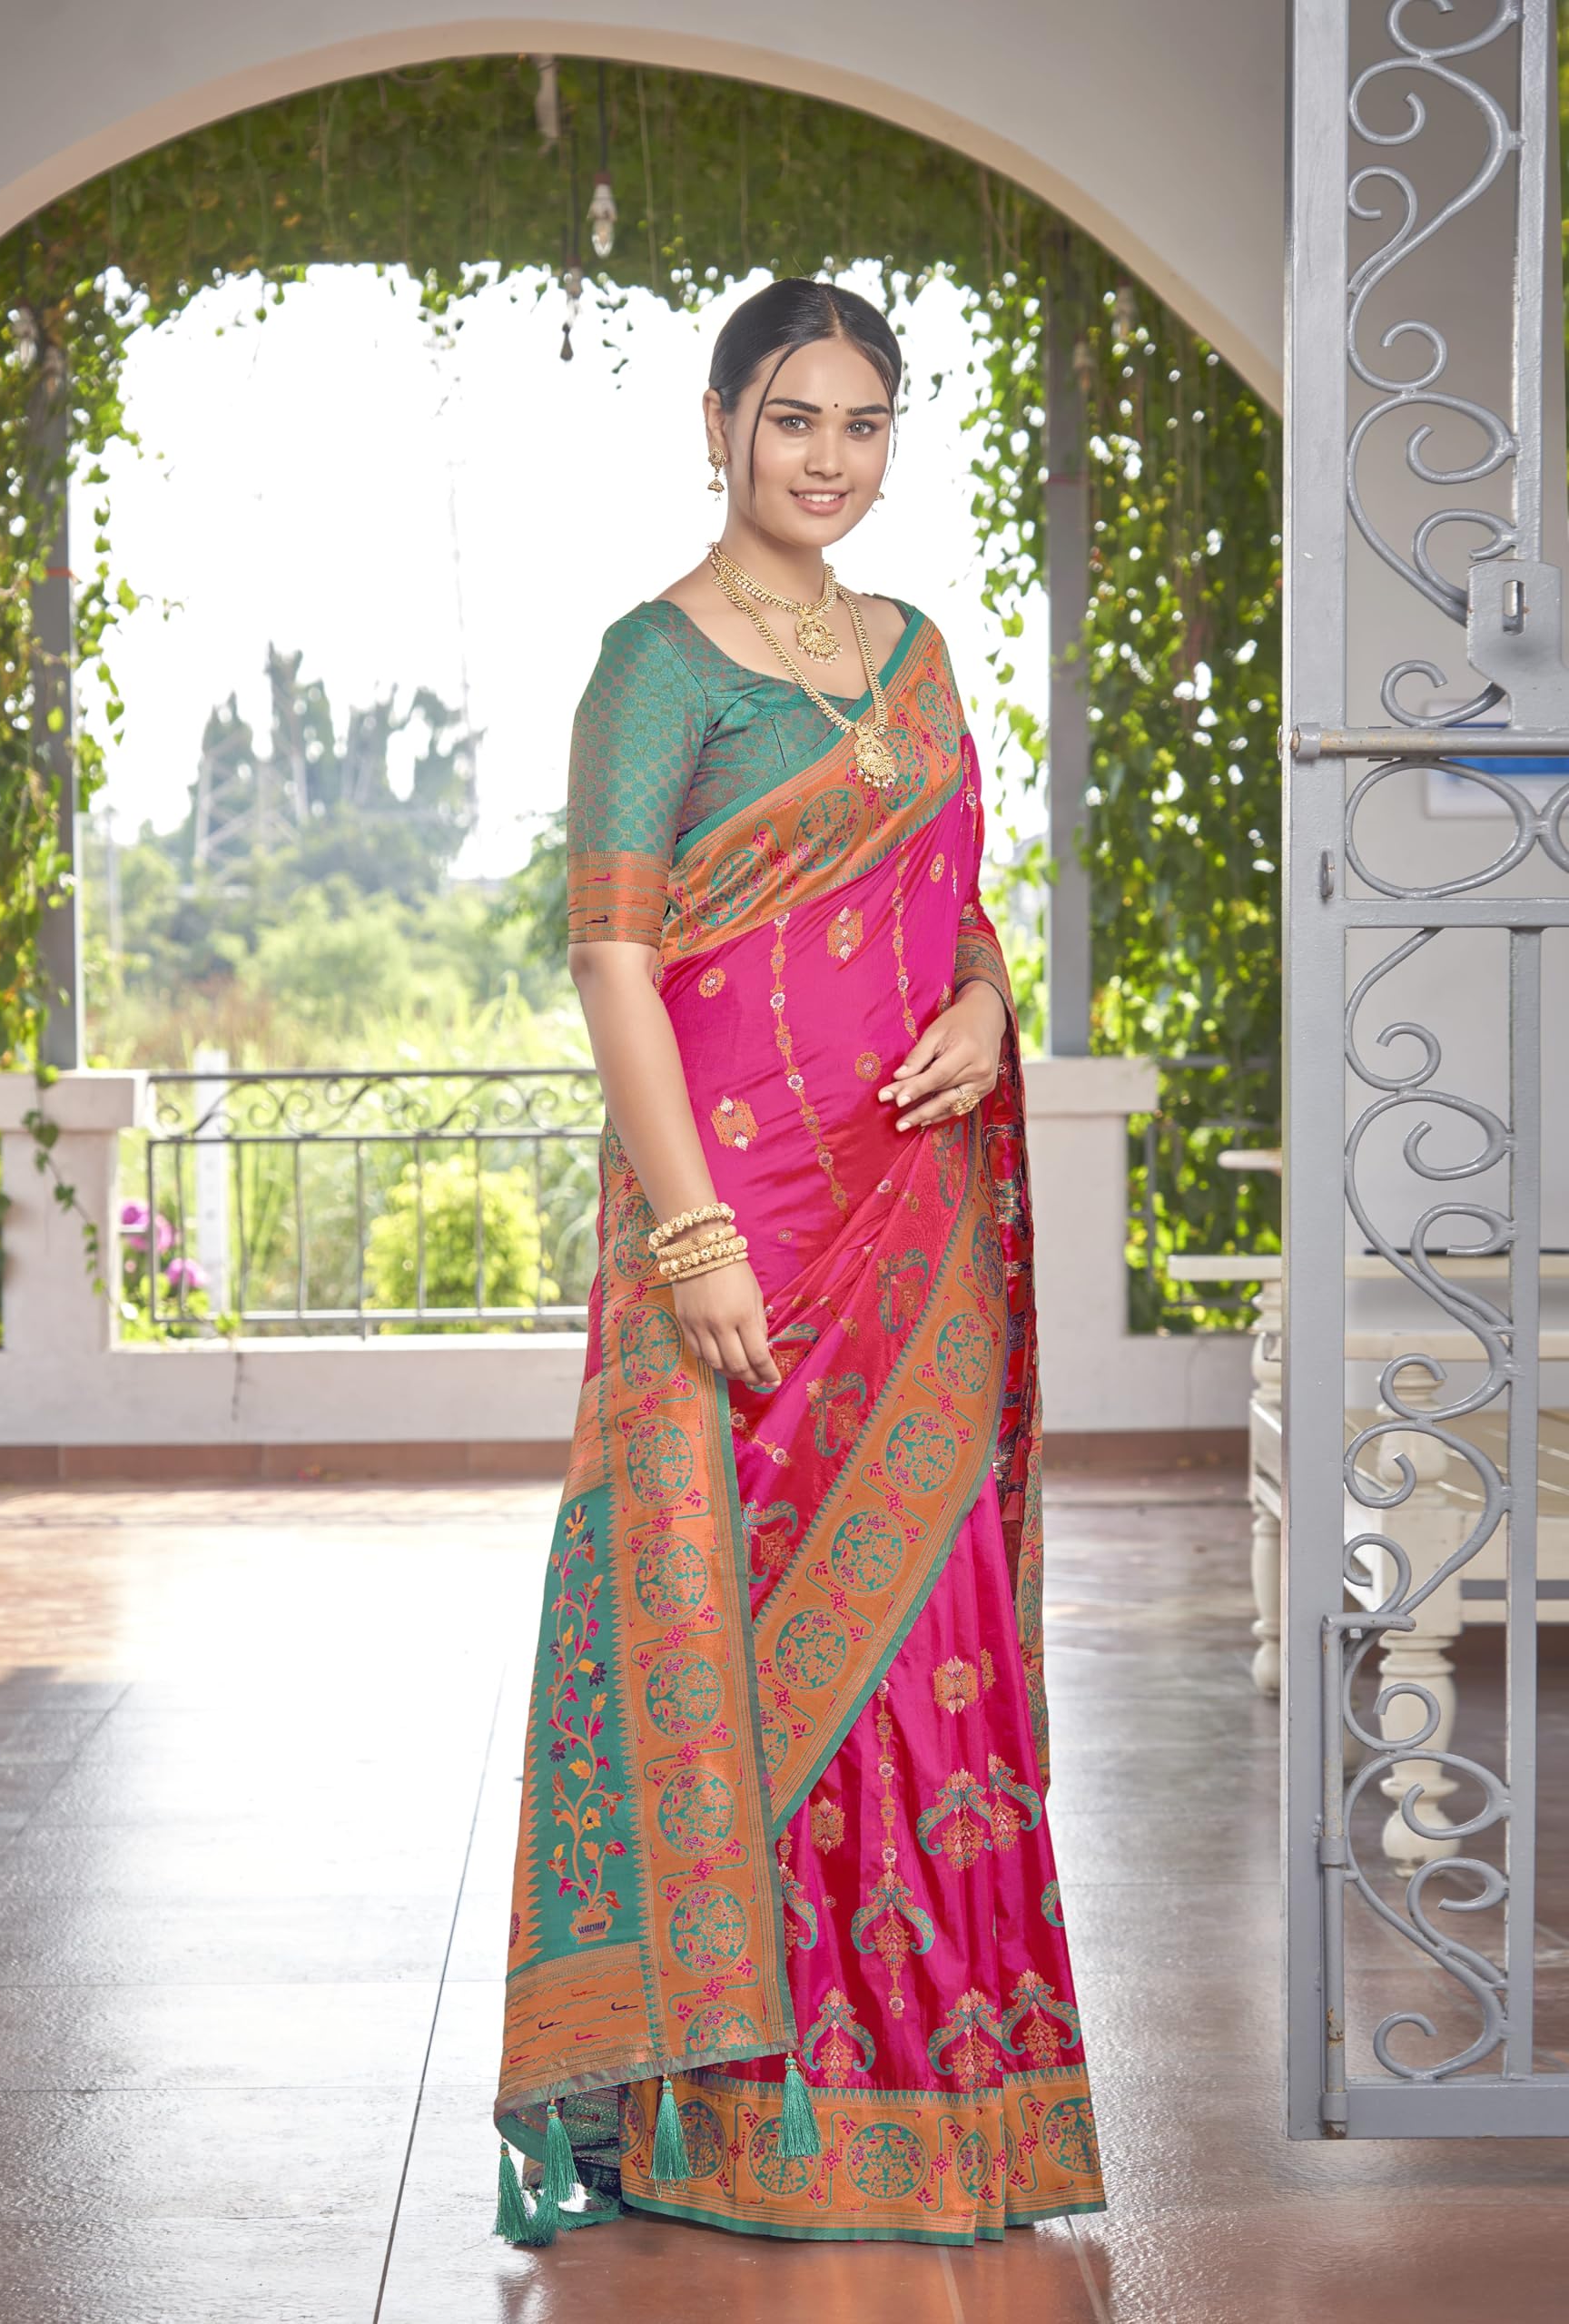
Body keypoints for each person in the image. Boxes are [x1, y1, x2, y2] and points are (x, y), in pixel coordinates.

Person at [491, 276, 1105, 2248]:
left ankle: (953, 2100)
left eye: (861, 422)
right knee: (727, 1652)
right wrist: (692, 1236)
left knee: (932, 1633)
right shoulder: (654, 665)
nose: (827, 457)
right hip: (741, 1227)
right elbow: (613, 961)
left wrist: (991, 1007)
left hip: (911, 1225)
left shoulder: (913, 656)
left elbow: (957, 908)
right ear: (719, 426)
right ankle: (718, 2115)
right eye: (792, 418)